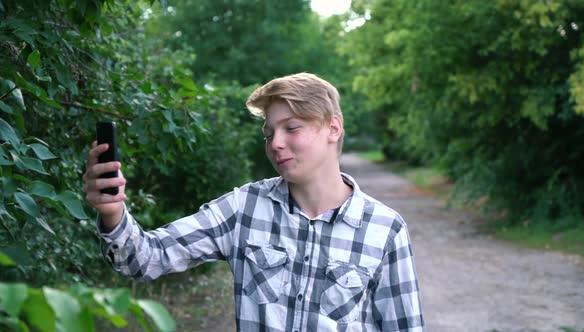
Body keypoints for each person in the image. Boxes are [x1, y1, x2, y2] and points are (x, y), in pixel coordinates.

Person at [83, 73, 425, 331]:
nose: (275, 143)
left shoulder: (385, 229)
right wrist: (113, 214)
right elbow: (144, 259)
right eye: (268, 133)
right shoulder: (243, 209)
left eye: (291, 128)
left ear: (332, 128)